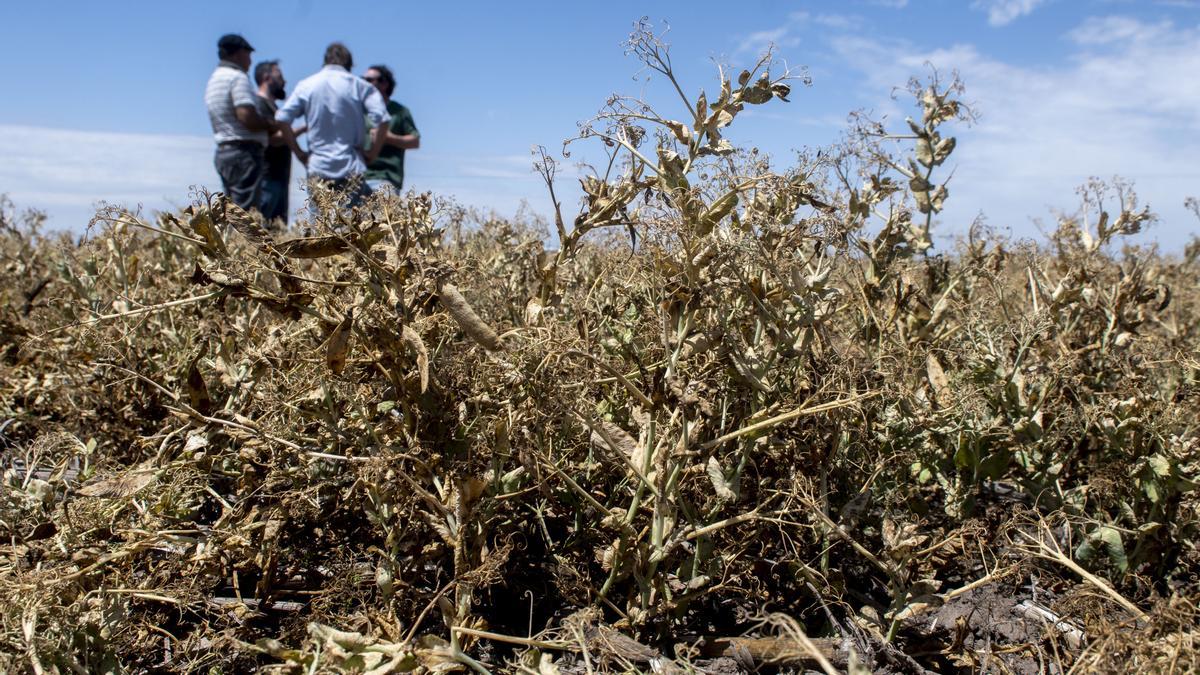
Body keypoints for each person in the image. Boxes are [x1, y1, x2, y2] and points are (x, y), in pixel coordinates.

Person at [275, 42, 389, 211]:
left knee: (320, 226)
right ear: (349, 64)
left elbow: (283, 118)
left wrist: (299, 153)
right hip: (351, 165)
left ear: (325, 61)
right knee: (352, 228)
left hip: (318, 165)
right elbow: (383, 119)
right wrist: (372, 153)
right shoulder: (359, 86)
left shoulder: (307, 85)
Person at [204, 34, 293, 212]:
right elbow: (246, 117)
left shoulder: (214, 79)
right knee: (246, 215)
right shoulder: (237, 77)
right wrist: (271, 125)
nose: (250, 61)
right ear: (238, 54)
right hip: (244, 153)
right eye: (248, 55)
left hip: (225, 150)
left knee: (232, 212)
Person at [254, 60, 306, 225]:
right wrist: (305, 127)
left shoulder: (273, 107)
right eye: (280, 76)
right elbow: (273, 139)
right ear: (267, 77)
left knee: (275, 231)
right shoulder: (259, 104)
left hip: (278, 177)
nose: (284, 81)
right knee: (261, 228)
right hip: (267, 178)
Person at [362, 65, 420, 195]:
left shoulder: (399, 111)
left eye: (370, 80)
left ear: (385, 83)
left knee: (384, 215)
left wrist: (387, 137)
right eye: (364, 79)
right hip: (357, 178)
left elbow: (415, 141)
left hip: (385, 178)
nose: (365, 84)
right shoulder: (359, 111)